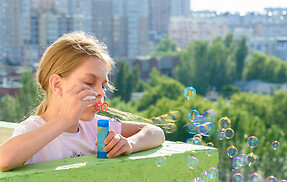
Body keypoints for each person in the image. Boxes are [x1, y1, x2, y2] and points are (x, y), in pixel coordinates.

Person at [0, 31, 165, 172]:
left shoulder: (96, 127)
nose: (100, 92)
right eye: (89, 83)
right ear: (57, 84)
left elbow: (156, 132)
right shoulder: (34, 129)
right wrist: (64, 120)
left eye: (103, 86)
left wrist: (129, 144)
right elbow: (4, 159)